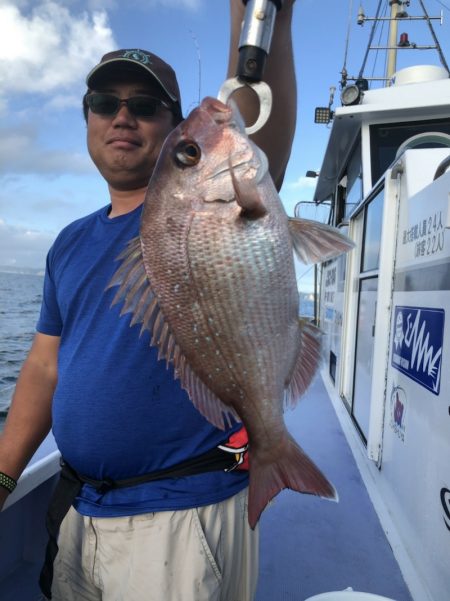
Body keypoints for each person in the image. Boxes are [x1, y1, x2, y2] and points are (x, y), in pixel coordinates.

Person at [0, 1, 297, 599]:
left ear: (170, 125)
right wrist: (4, 473)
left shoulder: (219, 205)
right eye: (106, 104)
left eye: (144, 106)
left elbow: (256, 116)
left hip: (181, 517)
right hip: (79, 506)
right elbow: (43, 365)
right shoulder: (69, 243)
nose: (122, 117)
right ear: (87, 120)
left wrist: (262, 19)